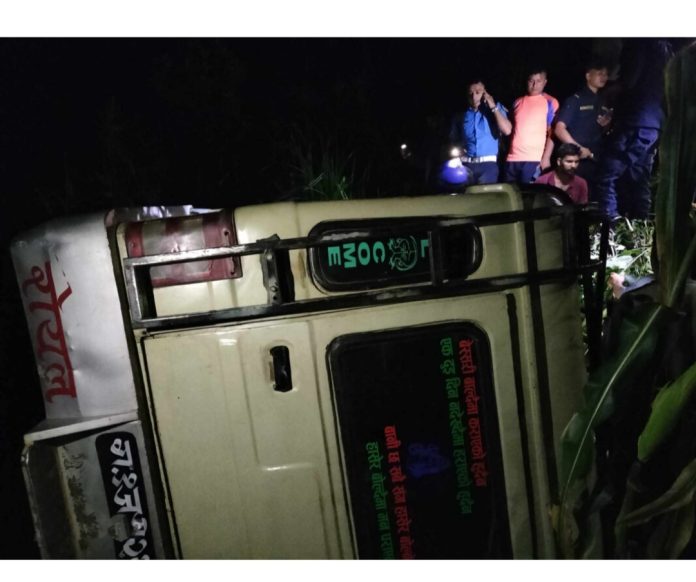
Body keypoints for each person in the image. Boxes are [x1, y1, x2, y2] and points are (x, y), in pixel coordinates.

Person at [593, 39, 673, 219]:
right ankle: (639, 226)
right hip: (654, 124)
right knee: (639, 179)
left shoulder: (638, 44)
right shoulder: (665, 50)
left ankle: (610, 225)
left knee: (607, 174)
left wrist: (612, 92)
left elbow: (630, 80)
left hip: (635, 121)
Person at [553, 61, 612, 196]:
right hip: (577, 162)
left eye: (606, 74)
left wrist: (606, 125)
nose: (604, 77)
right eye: (599, 73)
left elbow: (602, 132)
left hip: (596, 160)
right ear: (588, 76)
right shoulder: (575, 100)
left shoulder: (604, 101)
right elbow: (559, 129)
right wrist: (578, 149)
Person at [449, 80, 512, 184]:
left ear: (484, 93)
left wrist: (493, 106)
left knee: (484, 193)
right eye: (470, 93)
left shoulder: (495, 109)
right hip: (465, 165)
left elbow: (507, 130)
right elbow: (453, 139)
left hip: (488, 166)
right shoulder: (461, 115)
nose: (474, 97)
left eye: (478, 92)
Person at [504, 67, 559, 184]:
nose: (534, 85)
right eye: (531, 81)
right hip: (512, 159)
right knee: (511, 193)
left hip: (534, 160)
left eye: (538, 81)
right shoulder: (517, 102)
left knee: (529, 193)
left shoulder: (550, 102)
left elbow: (553, 133)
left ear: (545, 82)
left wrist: (546, 158)